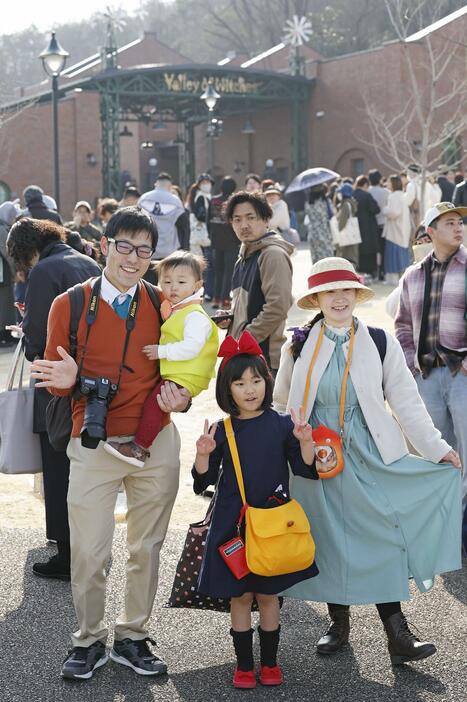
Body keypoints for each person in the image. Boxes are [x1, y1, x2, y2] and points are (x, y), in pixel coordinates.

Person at [273, 256, 461, 665]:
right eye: (329, 291)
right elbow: (281, 403)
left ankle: (398, 636)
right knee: (323, 536)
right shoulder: (298, 343)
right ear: (316, 298)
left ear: (356, 295)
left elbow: (406, 401)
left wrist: (437, 448)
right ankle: (338, 625)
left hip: (370, 450)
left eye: (346, 290)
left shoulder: (379, 339)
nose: (339, 298)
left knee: (383, 535)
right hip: (315, 453)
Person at [30, 206, 191, 680]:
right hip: (93, 441)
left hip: (154, 437)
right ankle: (87, 639)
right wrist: (65, 381)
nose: (134, 257)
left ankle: (134, 635)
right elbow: (56, 378)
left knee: (147, 547)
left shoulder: (166, 304)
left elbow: (185, 366)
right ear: (105, 245)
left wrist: (182, 395)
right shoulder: (71, 304)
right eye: (125, 246)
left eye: (145, 249)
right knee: (89, 550)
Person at [192, 331, 318, 688]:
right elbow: (202, 483)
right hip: (234, 526)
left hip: (274, 524)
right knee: (241, 595)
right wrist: (203, 455)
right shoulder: (221, 429)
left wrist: (305, 442)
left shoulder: (281, 425)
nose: (251, 389)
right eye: (240, 383)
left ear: (267, 381)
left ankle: (271, 663)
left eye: (257, 380)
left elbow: (305, 467)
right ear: (226, 390)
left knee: (267, 595)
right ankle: (244, 665)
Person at [6, 218, 101, 579]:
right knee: (85, 467)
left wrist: (26, 326)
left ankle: (66, 555)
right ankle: (89, 545)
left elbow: (37, 340)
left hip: (57, 381)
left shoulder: (44, 271)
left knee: (59, 465)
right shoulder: (86, 260)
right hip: (93, 379)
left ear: (23, 250)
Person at [104, 250, 219, 467]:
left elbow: (191, 348)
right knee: (155, 403)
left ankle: (139, 447)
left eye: (181, 281)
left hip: (187, 374)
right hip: (181, 372)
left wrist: (161, 351)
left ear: (197, 285)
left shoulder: (194, 315)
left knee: (154, 405)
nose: (173, 287)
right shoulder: (176, 309)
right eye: (166, 281)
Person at [394, 202, 467, 537]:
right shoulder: (413, 275)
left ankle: (462, 531)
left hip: (461, 373)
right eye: (449, 222)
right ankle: (444, 530)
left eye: (460, 222)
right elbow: (403, 325)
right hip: (427, 374)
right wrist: (412, 364)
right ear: (430, 231)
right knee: (436, 454)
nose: (458, 227)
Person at [223, 191, 293, 376]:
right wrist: (230, 318)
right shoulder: (244, 256)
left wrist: (245, 339)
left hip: (266, 359)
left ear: (266, 218)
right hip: (245, 355)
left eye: (250, 217)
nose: (243, 225)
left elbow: (278, 307)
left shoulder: (272, 255)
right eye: (237, 219)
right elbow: (246, 306)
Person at [138, 173, 185, 260]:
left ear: (156, 184)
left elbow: (137, 223)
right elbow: (183, 226)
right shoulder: (175, 201)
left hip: (147, 248)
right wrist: (185, 248)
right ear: (170, 185)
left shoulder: (144, 198)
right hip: (169, 250)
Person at [210, 175, 238, 309]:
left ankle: (216, 298)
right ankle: (225, 299)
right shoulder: (234, 202)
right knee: (229, 271)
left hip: (216, 240)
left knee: (218, 271)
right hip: (231, 240)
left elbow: (208, 221)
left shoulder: (213, 200)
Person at [187, 173, 214, 299]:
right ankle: (206, 291)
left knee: (199, 265)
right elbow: (201, 216)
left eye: (208, 182)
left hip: (197, 236)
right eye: (204, 183)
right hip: (204, 236)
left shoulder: (197, 196)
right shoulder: (202, 197)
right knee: (206, 265)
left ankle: (198, 291)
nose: (207, 185)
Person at [382, 174, 411, 285]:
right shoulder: (403, 195)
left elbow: (394, 213)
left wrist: (384, 210)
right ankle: (402, 277)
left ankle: (392, 279)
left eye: (389, 182)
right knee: (402, 254)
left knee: (392, 254)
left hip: (394, 230)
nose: (387, 184)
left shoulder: (393, 196)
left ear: (393, 184)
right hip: (402, 228)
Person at [353, 175, 380, 278]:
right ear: (365, 185)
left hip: (356, 227)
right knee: (369, 249)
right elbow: (376, 209)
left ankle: (359, 270)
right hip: (368, 226)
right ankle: (370, 271)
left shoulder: (352, 194)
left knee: (359, 249)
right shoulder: (366, 195)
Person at [0, 201, 18, 346]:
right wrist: (16, 271)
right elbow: (8, 253)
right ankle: (4, 335)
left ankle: (5, 333)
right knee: (4, 302)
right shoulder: (2, 229)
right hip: (3, 273)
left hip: (3, 272)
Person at [304, 184, 334, 263]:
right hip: (324, 232)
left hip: (312, 233)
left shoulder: (307, 203)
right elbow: (332, 214)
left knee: (316, 260)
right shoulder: (326, 202)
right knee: (327, 259)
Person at [368, 169, 389, 279]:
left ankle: (374, 271)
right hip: (384, 224)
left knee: (374, 249)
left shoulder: (368, 191)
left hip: (372, 224)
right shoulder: (385, 192)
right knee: (383, 249)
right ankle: (383, 271)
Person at [332, 183, 359, 268]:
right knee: (352, 257)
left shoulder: (345, 205)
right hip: (352, 236)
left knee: (346, 259)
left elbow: (342, 223)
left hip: (345, 237)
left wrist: (337, 230)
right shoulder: (352, 202)